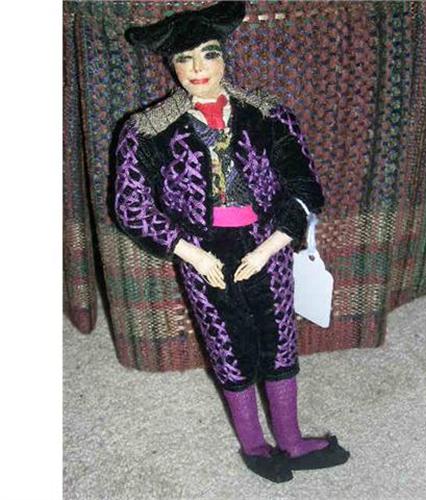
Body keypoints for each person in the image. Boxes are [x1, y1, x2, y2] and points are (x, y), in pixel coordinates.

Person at [116, 1, 350, 483]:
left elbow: (304, 186)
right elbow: (130, 205)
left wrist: (270, 246)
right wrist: (190, 252)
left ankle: (291, 440)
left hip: (267, 242)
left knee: (279, 339)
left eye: (208, 54)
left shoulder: (267, 114)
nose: (197, 68)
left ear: (224, 56)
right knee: (227, 344)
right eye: (184, 58)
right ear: (172, 66)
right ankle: (254, 445)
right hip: (202, 251)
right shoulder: (148, 131)